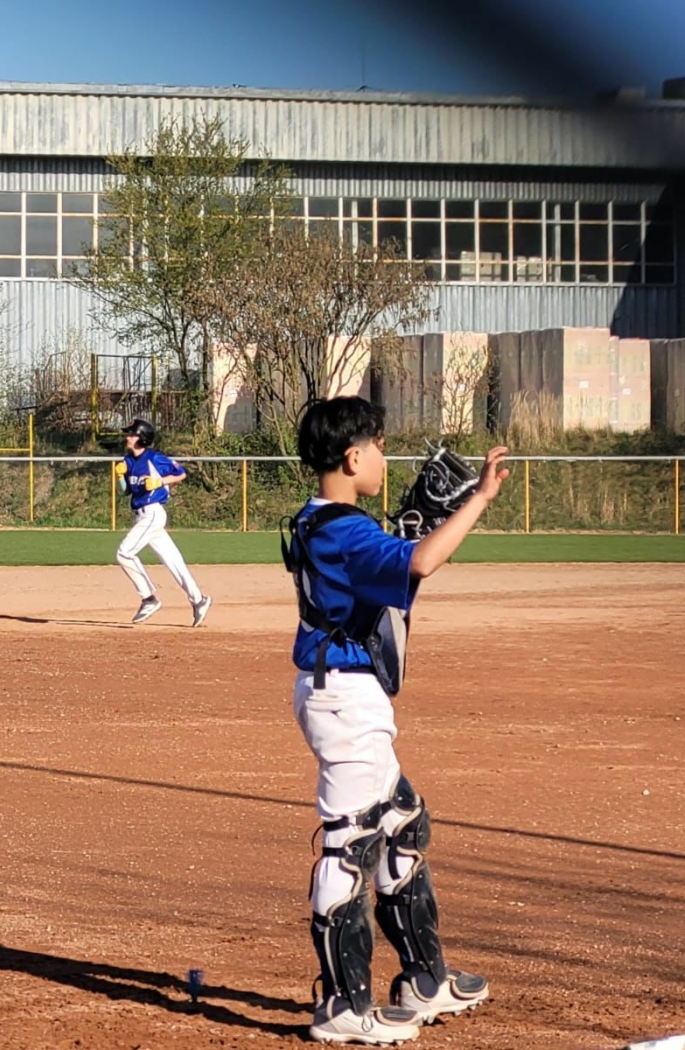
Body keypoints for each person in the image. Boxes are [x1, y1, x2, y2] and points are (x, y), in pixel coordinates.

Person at [283, 396, 508, 1045]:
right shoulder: (343, 529)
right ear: (353, 458)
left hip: (347, 695)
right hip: (344, 700)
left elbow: (391, 566)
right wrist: (478, 500)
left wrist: (410, 528)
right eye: (378, 447)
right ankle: (343, 1009)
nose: (385, 458)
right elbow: (419, 563)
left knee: (402, 823)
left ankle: (424, 981)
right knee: (351, 842)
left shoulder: (325, 520)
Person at [112, 418, 212, 627]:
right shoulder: (128, 460)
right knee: (174, 561)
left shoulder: (155, 458)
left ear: (141, 438)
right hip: (142, 515)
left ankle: (149, 598)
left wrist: (159, 481)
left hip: (153, 513)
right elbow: (127, 491)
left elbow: (180, 474)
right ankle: (199, 600)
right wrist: (120, 477)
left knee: (124, 553)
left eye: (132, 434)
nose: (128, 437)